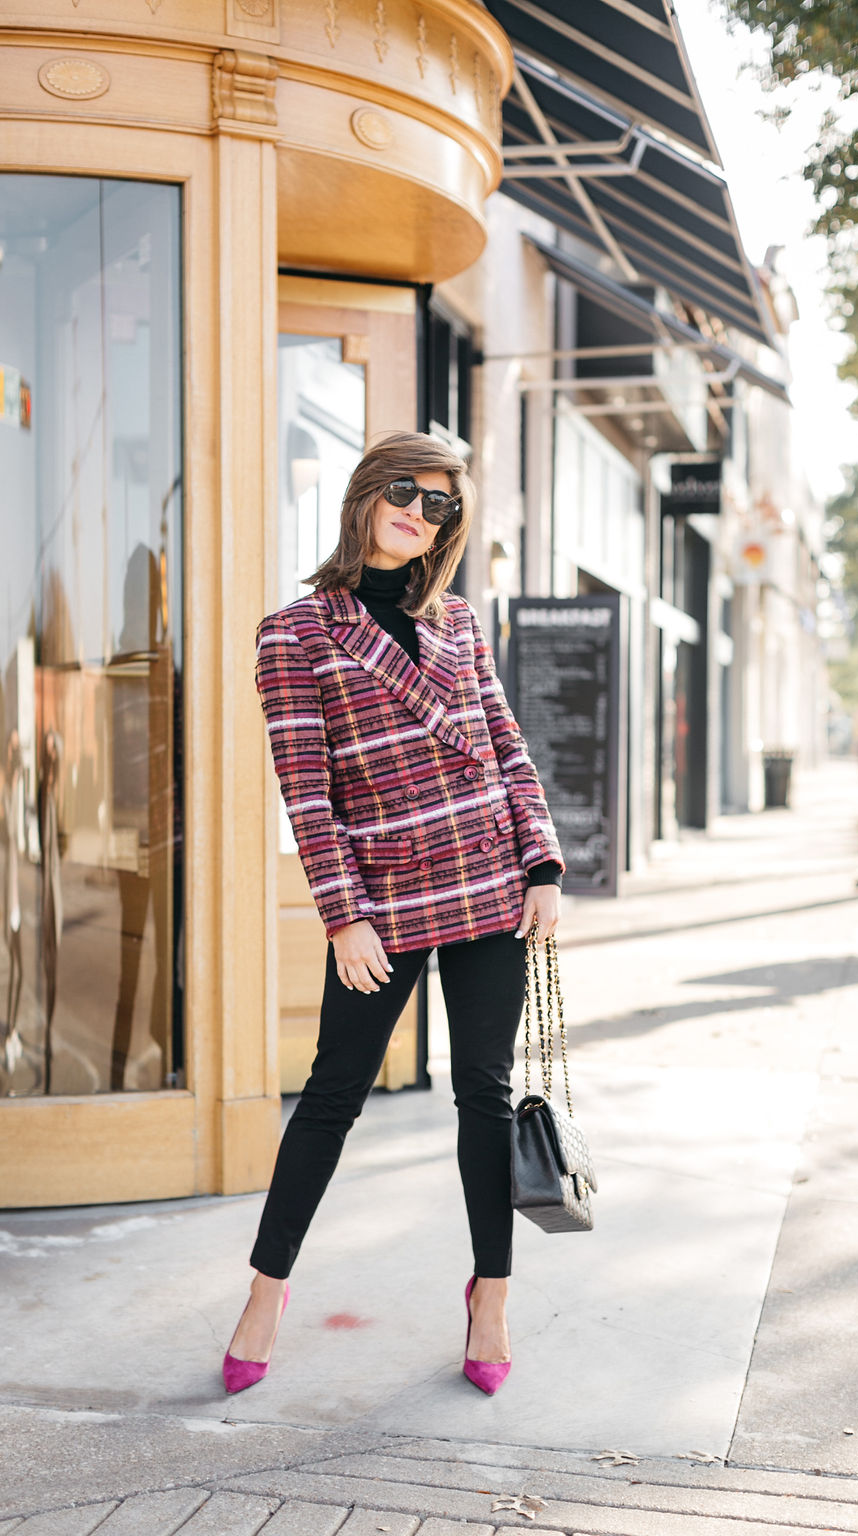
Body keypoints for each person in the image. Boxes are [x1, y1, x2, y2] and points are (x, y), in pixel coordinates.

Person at [224, 431, 565, 1398]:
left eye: (443, 506)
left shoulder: (456, 622)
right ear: (371, 491)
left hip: (491, 885)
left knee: (484, 1095)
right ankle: (264, 1288)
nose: (421, 513)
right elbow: (308, 790)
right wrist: (342, 916)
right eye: (409, 492)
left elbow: (506, 744)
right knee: (333, 1096)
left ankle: (489, 1296)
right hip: (384, 900)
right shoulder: (296, 632)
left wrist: (540, 859)